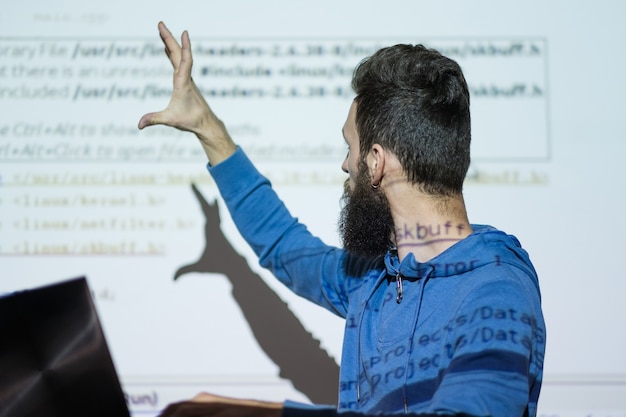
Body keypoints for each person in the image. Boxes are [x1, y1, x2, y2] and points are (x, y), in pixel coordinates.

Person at [139, 22, 546, 417]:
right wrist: (207, 128)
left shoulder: (496, 286)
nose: (344, 165)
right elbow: (287, 248)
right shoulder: (372, 279)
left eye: (349, 148)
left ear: (375, 161)